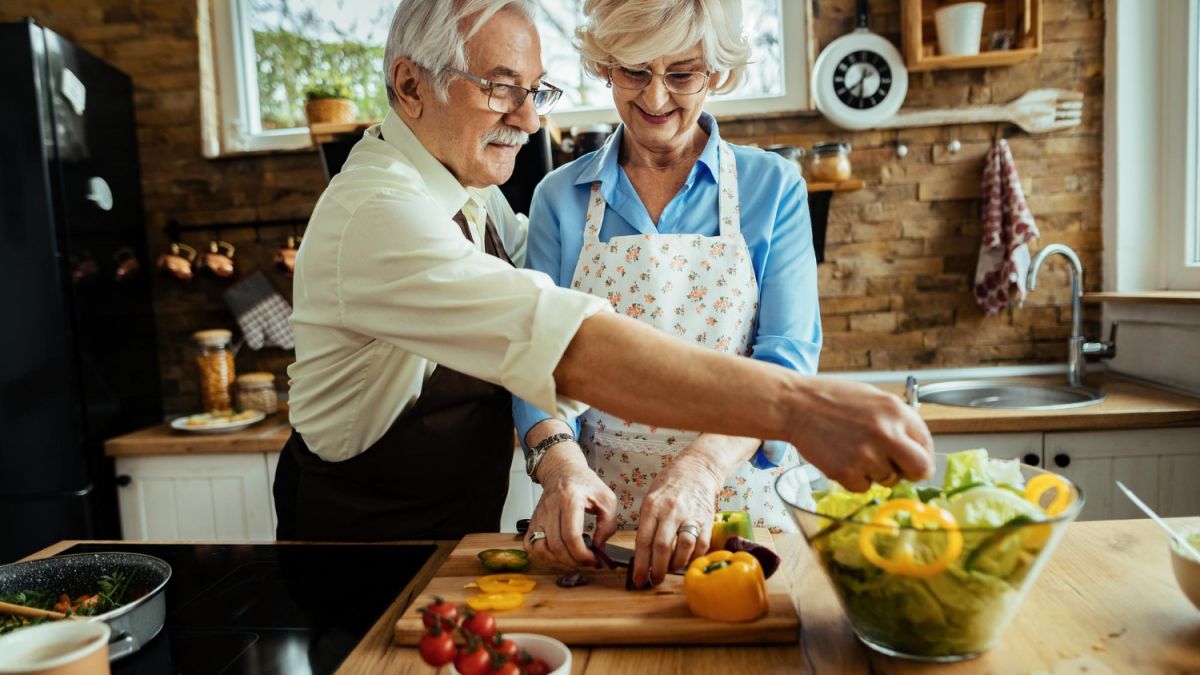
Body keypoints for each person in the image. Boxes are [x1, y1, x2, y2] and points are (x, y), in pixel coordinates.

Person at [274, 0, 933, 583]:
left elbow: (784, 343)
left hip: (464, 545)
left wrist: (705, 466)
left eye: (534, 91)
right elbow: (557, 343)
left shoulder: (473, 195)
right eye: (502, 89)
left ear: (718, 73)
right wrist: (799, 409)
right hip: (364, 560)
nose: (531, 122)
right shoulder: (385, 213)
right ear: (410, 85)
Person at [513, 0, 819, 585]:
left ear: (718, 72)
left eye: (681, 74)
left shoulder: (771, 188)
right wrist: (560, 470)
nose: (654, 99)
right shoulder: (560, 198)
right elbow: (534, 364)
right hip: (604, 522)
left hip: (738, 510)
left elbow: (789, 363)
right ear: (605, 65)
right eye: (633, 71)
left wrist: (699, 471)